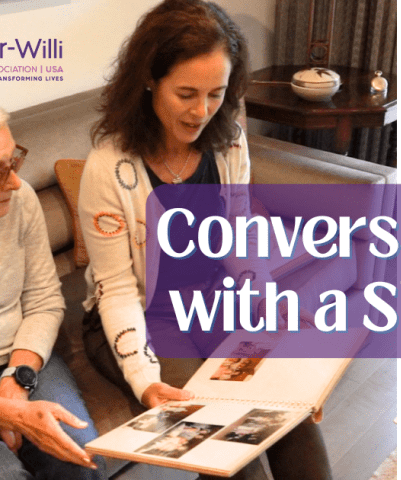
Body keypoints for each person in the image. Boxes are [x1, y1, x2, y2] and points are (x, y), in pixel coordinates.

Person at [77, 1, 330, 479]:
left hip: (214, 299)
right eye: (186, 93)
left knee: (289, 410)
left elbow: (236, 239)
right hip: (142, 314)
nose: (201, 111)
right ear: (150, 79)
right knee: (231, 438)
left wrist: (267, 295)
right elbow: (116, 290)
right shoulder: (108, 167)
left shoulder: (229, 139)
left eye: (215, 93)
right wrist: (144, 381)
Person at [0, 108, 106, 479]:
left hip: (18, 356)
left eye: (13, 161)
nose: (14, 182)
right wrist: (6, 412)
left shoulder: (21, 200)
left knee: (81, 456)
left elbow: (44, 299)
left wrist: (17, 378)